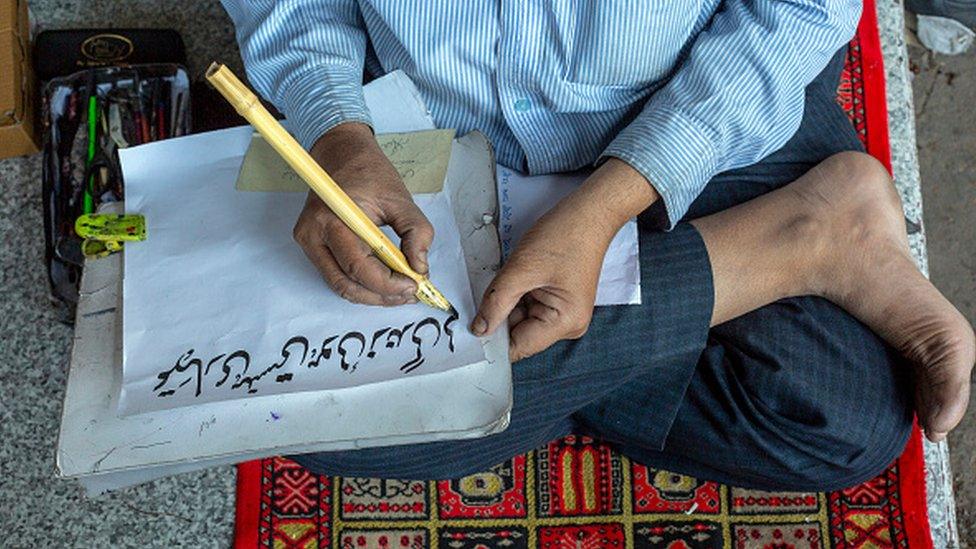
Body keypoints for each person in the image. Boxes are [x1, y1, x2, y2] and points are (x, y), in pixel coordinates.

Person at [222, 0, 975, 490]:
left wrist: (613, 200)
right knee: (294, 420)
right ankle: (793, 241)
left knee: (847, 421)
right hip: (421, 126)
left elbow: (798, 12)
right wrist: (339, 132)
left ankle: (520, 388)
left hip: (699, 102)